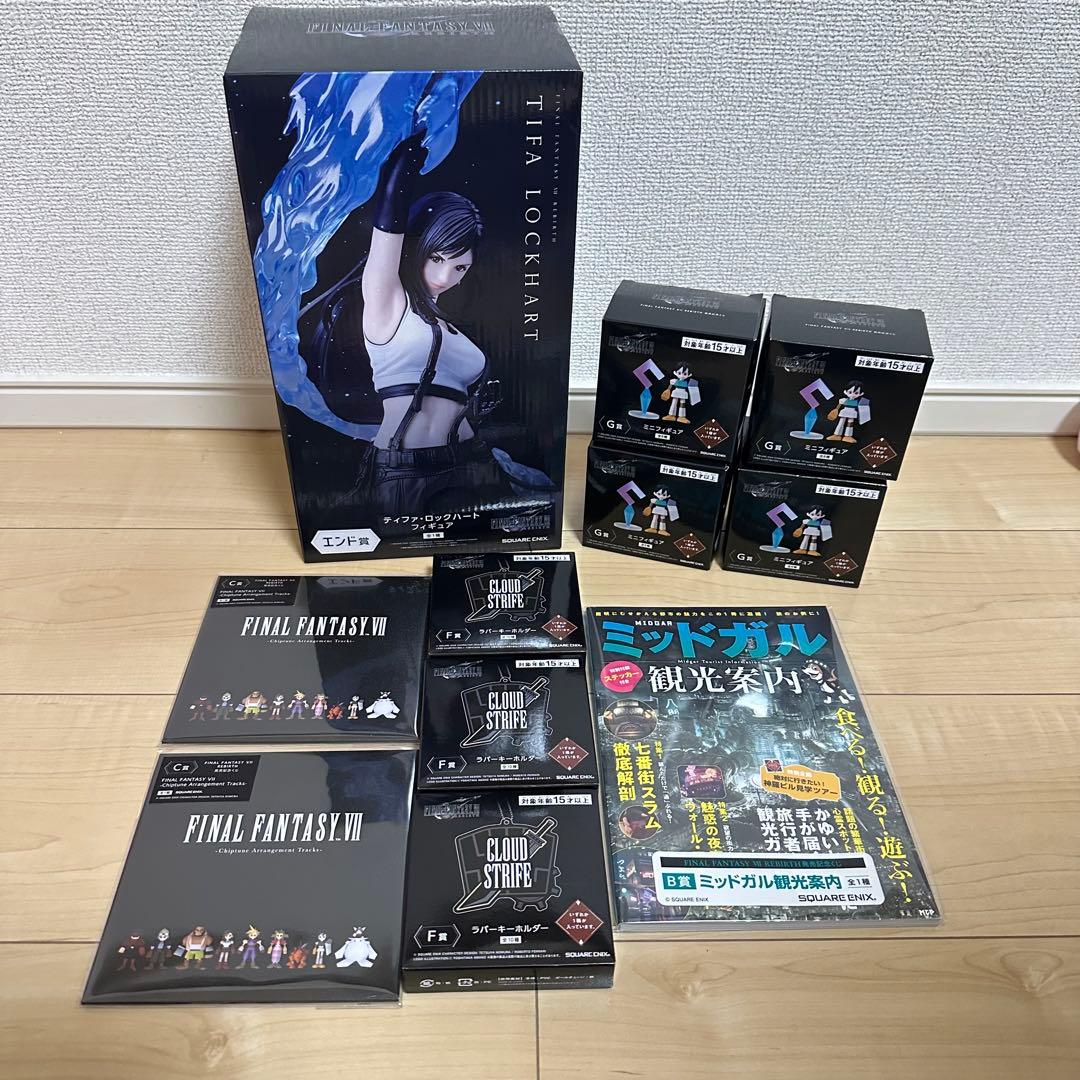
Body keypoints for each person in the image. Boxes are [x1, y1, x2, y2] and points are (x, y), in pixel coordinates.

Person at [303, 126, 552, 515]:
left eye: (460, 267)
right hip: (407, 468)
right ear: (418, 248)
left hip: (473, 458)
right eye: (436, 258)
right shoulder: (389, 303)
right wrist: (407, 156)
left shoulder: (450, 329)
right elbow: (388, 228)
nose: (444, 277)